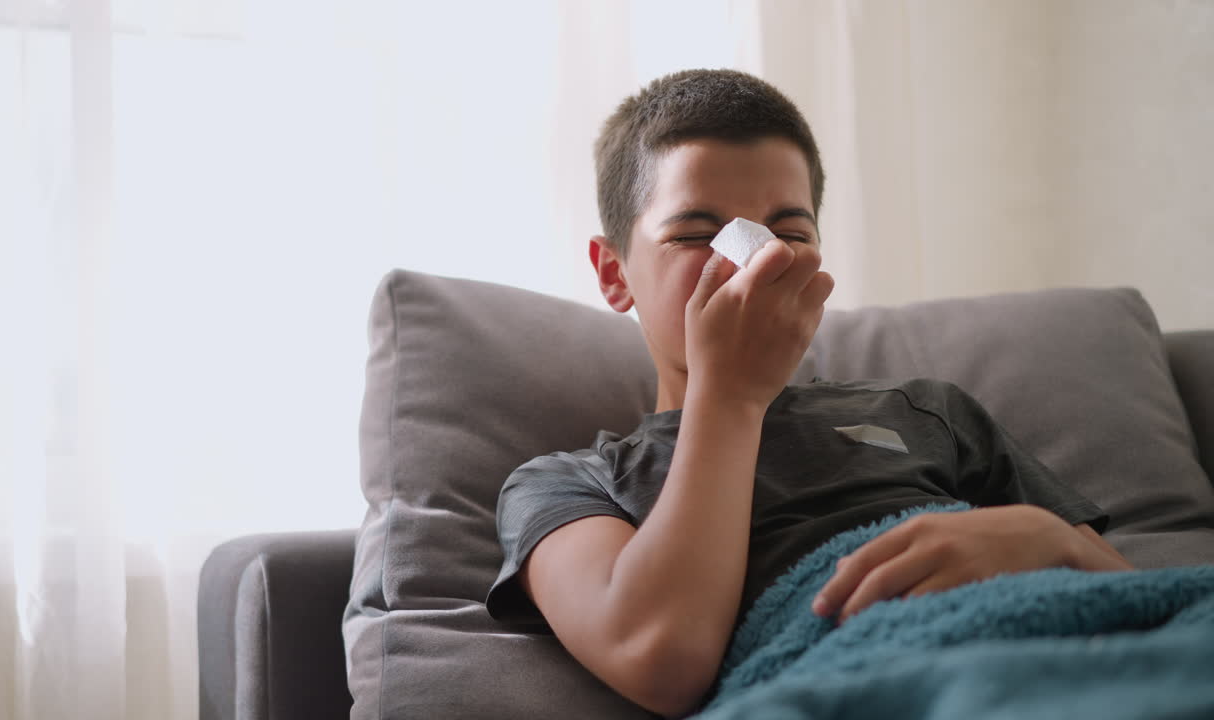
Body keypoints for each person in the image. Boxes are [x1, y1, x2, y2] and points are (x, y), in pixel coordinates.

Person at [483, 69, 1133, 718]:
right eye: (695, 234)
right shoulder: (566, 486)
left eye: (788, 234)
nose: (751, 262)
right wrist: (730, 395)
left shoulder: (925, 410)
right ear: (613, 271)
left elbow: (1143, 598)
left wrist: (1051, 539)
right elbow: (659, 659)